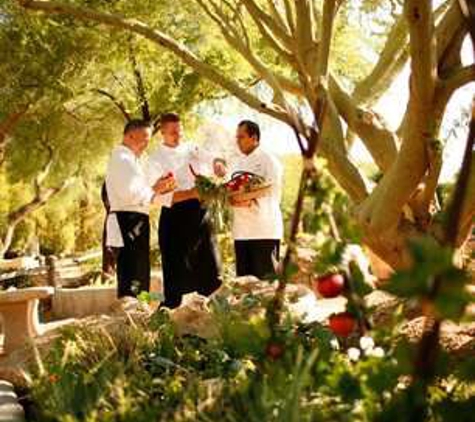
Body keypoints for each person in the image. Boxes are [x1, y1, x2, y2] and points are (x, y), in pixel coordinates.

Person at [148, 113, 225, 309]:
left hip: (199, 212)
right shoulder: (155, 158)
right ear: (162, 132)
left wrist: (217, 164)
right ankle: (169, 310)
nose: (178, 135)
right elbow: (155, 195)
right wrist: (189, 192)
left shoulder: (192, 148)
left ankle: (209, 305)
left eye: (180, 131)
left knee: (209, 260)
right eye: (173, 132)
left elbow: (213, 158)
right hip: (174, 214)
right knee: (175, 265)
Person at [105, 119, 175, 298]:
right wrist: (155, 189)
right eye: (144, 139)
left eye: (148, 140)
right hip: (128, 220)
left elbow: (141, 191)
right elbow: (130, 193)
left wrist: (158, 187)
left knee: (139, 270)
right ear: (130, 135)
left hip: (135, 219)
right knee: (132, 271)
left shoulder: (131, 160)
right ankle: (131, 313)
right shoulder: (122, 158)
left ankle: (137, 311)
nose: (146, 144)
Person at [230, 120, 283, 279]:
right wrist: (233, 200)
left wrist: (245, 198)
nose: (238, 141)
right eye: (237, 137)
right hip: (241, 231)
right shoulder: (237, 162)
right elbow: (229, 191)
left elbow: (271, 188)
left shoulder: (269, 160)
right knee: (244, 285)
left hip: (264, 230)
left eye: (242, 137)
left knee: (265, 285)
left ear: (254, 138)